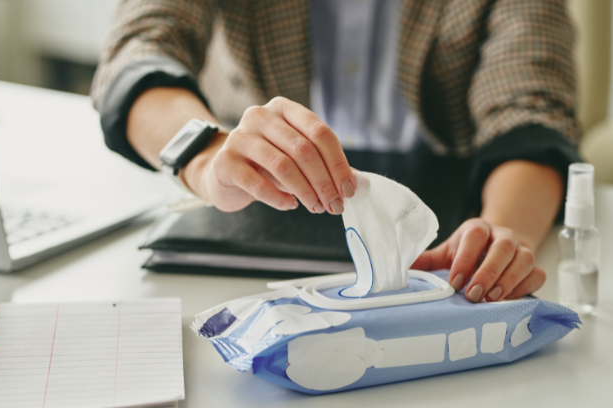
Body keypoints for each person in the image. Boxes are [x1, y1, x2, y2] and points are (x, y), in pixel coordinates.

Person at [91, 0, 580, 303]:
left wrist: (501, 232)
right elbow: (138, 48)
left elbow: (530, 111)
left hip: (446, 231)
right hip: (254, 225)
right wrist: (204, 154)